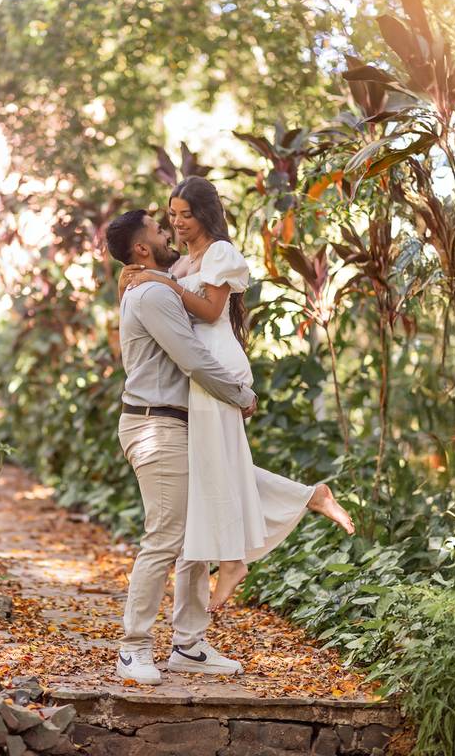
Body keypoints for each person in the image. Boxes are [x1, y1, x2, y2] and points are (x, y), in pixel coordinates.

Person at [121, 177, 354, 613]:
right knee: (220, 465)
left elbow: (209, 310)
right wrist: (140, 277)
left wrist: (163, 283)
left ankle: (232, 561)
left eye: (185, 215)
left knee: (217, 465)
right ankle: (306, 500)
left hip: (217, 367)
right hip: (201, 374)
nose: (177, 223)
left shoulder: (220, 253)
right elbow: (154, 287)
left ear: (205, 215)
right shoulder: (183, 261)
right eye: (171, 215)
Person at [105, 208, 258, 685]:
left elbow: (197, 280)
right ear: (142, 248)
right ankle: (133, 648)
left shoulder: (151, 284)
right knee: (167, 538)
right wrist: (240, 392)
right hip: (157, 426)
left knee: (196, 538)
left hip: (180, 425)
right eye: (158, 228)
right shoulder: (151, 294)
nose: (169, 232)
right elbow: (192, 358)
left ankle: (188, 645)